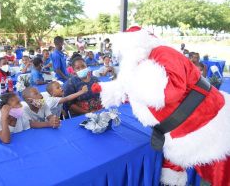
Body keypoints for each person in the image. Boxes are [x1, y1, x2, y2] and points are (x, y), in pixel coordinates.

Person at [97, 26, 230, 185]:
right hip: (176, 132)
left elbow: (169, 92)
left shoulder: (163, 53)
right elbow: (138, 93)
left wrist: (133, 87)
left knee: (221, 172)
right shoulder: (138, 65)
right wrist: (111, 89)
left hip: (208, 123)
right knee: (185, 170)